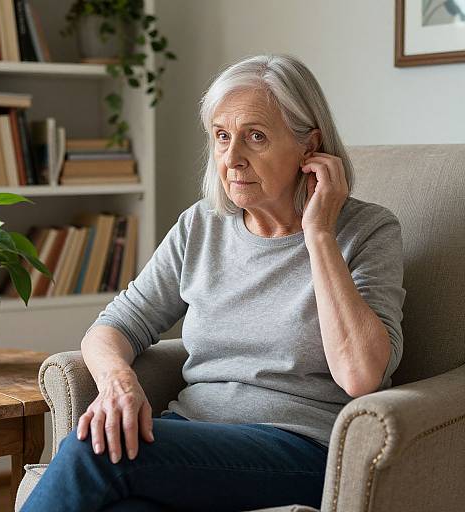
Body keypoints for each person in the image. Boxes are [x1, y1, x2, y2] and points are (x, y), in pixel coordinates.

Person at [20, 54, 406, 512]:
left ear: (310, 148)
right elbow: (114, 326)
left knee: (94, 449)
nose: (232, 158)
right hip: (192, 440)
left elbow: (362, 375)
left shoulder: (368, 231)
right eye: (222, 136)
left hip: (300, 451)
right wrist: (119, 381)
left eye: (255, 137)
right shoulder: (201, 226)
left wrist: (318, 233)